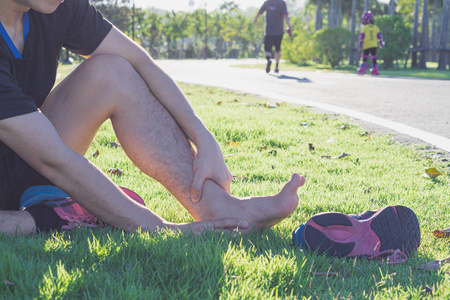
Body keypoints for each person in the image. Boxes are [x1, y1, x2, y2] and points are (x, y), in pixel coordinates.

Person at [0, 0, 306, 236]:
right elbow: (52, 158)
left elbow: (139, 60)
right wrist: (159, 229)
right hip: (34, 158)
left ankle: (219, 207)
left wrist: (203, 137)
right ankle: (39, 217)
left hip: (20, 160)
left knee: (113, 72)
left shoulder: (57, 6)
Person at [292, 205, 420, 264]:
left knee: (301, 233)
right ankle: (363, 217)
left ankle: (363, 218)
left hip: (304, 234)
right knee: (301, 233)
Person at [254, 0, 292, 74]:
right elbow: (285, 16)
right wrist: (289, 27)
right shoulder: (282, 3)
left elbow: (260, 12)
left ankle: (268, 60)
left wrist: (255, 19)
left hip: (269, 31)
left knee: (267, 50)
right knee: (277, 50)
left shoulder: (268, 2)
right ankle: (277, 66)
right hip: (279, 31)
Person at [357, 11, 385, 76]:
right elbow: (379, 37)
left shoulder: (365, 28)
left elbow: (362, 37)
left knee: (365, 57)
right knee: (374, 57)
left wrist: (360, 44)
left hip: (367, 45)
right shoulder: (376, 27)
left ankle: (362, 70)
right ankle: (375, 70)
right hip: (374, 45)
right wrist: (381, 44)